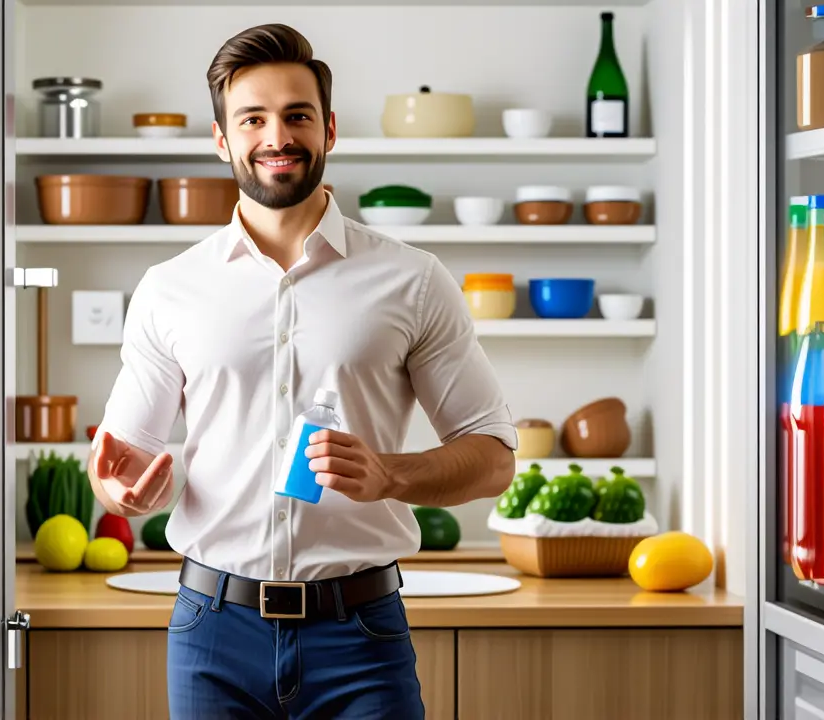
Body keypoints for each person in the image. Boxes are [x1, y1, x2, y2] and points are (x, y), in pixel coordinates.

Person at [88, 22, 518, 720]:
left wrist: (390, 475)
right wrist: (116, 490)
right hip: (212, 631)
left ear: (329, 129)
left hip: (361, 635)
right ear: (223, 139)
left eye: (297, 115)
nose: (277, 136)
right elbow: (118, 461)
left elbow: (494, 458)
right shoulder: (171, 288)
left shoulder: (412, 280)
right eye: (252, 118)